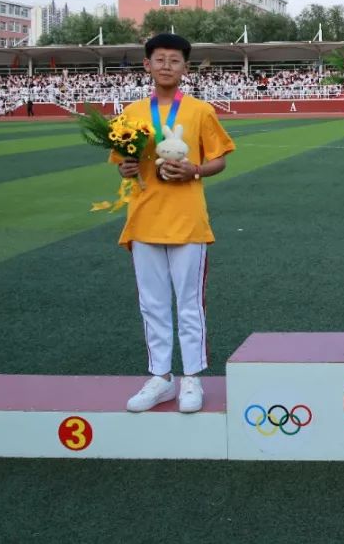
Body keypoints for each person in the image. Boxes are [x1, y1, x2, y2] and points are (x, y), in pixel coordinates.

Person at [114, 33, 235, 414]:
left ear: (185, 67)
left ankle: (192, 379)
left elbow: (220, 159)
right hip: (144, 217)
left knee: (189, 304)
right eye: (159, 59)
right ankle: (160, 377)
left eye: (175, 60)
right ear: (147, 65)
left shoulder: (200, 111)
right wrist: (127, 166)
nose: (166, 66)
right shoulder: (131, 112)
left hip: (187, 221)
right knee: (151, 304)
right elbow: (121, 161)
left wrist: (194, 170)